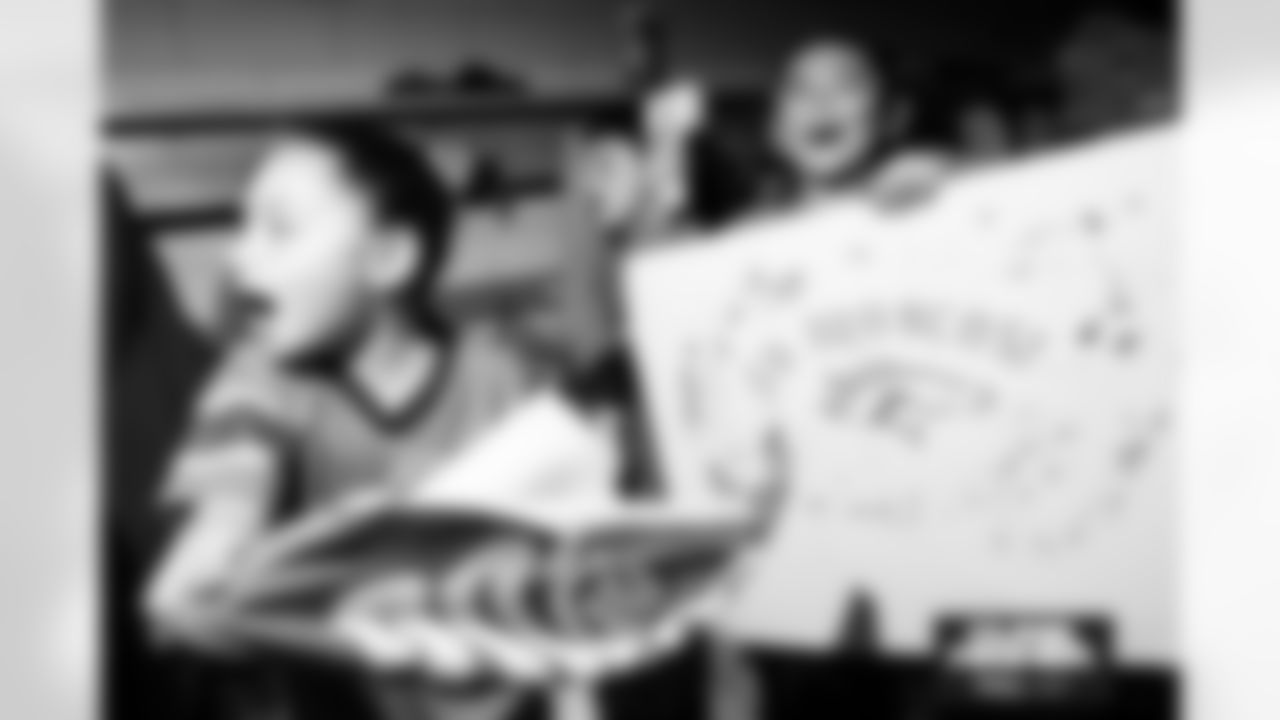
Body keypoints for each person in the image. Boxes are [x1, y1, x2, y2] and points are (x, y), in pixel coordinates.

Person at [143, 119, 708, 720]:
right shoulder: (257, 385)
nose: (235, 255)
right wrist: (206, 569)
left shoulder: (504, 375)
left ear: (389, 258)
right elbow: (219, 521)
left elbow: (560, 569)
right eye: (241, 225)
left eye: (277, 229)